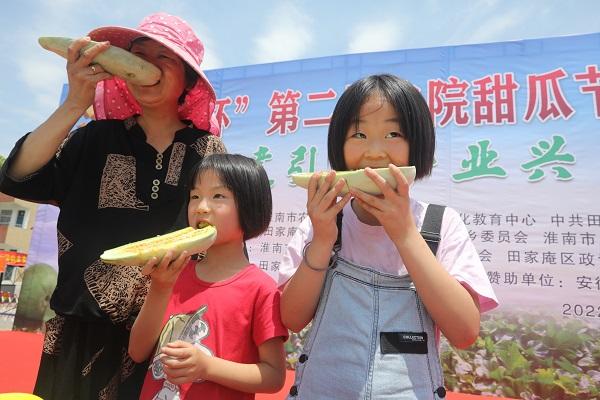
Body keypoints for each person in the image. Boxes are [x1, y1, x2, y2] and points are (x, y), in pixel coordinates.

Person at [0, 12, 225, 399]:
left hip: (166, 338)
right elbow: (18, 175)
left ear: (188, 79)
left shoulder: (208, 152)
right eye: (138, 54)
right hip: (77, 331)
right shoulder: (93, 138)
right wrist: (75, 103)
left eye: (164, 57)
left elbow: (218, 237)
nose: (147, 64)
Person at [279, 74, 499, 399]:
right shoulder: (322, 222)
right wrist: (323, 240)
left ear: (418, 144)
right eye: (359, 134)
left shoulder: (440, 224)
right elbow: (292, 319)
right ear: (338, 145)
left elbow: (464, 332)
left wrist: (406, 234)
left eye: (393, 133)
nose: (375, 152)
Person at [130, 153, 288, 399]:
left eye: (218, 196)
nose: (201, 207)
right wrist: (160, 288)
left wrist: (207, 367)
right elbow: (137, 351)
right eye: (195, 196)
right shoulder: (174, 274)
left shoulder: (261, 289)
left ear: (249, 206)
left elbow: (274, 376)